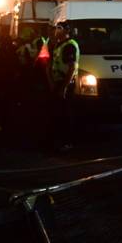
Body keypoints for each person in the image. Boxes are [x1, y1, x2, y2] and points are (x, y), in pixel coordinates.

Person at [49, 23, 80, 151]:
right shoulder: (59, 44)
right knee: (58, 114)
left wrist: (64, 87)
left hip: (65, 84)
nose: (56, 30)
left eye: (59, 28)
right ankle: (59, 141)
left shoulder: (69, 45)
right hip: (58, 82)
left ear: (66, 31)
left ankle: (67, 143)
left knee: (65, 114)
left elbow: (72, 68)